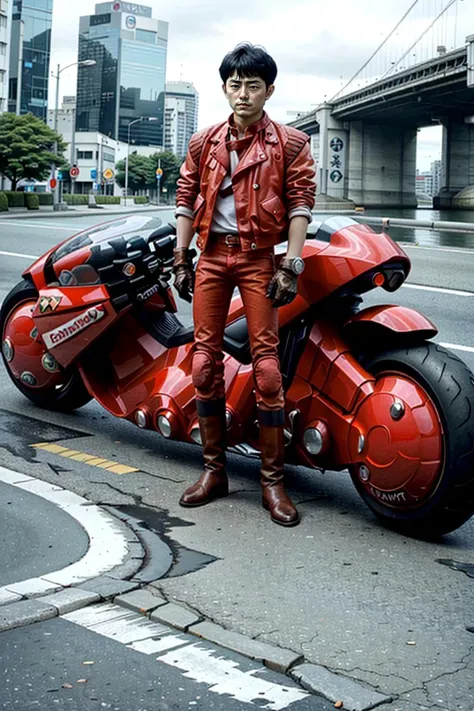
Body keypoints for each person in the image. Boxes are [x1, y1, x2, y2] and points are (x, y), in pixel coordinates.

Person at [172, 42, 316, 527]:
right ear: (224, 88)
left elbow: (300, 203)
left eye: (253, 86)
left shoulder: (291, 143)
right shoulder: (203, 142)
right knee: (203, 364)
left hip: (259, 259)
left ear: (269, 90)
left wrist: (290, 265)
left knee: (268, 371)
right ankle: (214, 472)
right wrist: (180, 256)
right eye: (235, 85)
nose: (243, 94)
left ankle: (272, 482)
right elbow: (186, 199)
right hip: (211, 256)